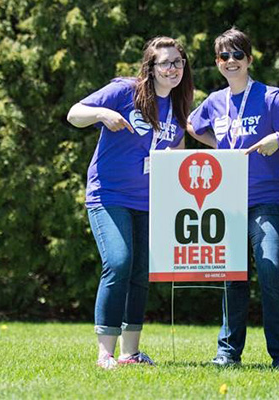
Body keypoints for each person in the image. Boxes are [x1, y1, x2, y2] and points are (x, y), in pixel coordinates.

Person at [187, 28, 279, 369]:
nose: (230, 62)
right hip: (226, 200)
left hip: (266, 199)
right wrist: (219, 148)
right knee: (230, 276)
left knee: (270, 269)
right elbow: (192, 125)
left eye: (237, 55)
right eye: (224, 57)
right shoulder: (215, 102)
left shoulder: (269, 97)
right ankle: (227, 353)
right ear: (217, 63)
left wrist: (277, 138)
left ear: (249, 59)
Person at [67, 36, 193, 369]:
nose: (172, 68)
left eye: (178, 62)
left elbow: (176, 151)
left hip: (148, 200)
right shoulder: (125, 91)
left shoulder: (178, 107)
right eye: (165, 62)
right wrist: (103, 115)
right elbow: (74, 113)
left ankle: (130, 353)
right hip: (108, 194)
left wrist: (172, 157)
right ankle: (105, 353)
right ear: (150, 68)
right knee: (119, 262)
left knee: (140, 272)